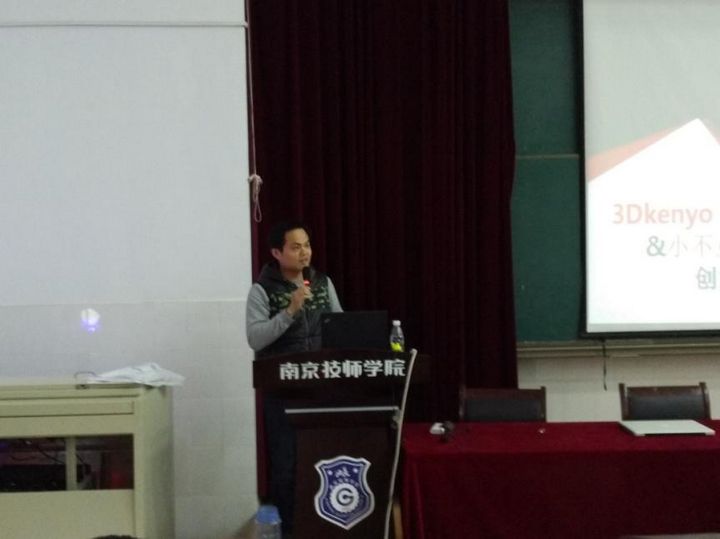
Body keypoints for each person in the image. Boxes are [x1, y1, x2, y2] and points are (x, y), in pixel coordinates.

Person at [246, 221, 342, 537]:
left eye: (307, 245)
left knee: (322, 461)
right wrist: (289, 311)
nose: (305, 253)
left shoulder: (322, 282)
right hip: (282, 393)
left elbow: (341, 326)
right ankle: (289, 531)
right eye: (296, 247)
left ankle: (322, 527)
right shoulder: (262, 290)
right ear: (277, 253)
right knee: (286, 467)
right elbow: (256, 338)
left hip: (322, 388)